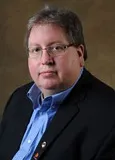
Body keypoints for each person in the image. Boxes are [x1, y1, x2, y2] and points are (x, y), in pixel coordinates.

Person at [0, 5, 115, 160]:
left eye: (56, 48)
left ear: (80, 54)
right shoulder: (18, 99)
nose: (45, 60)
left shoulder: (108, 114)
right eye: (36, 50)